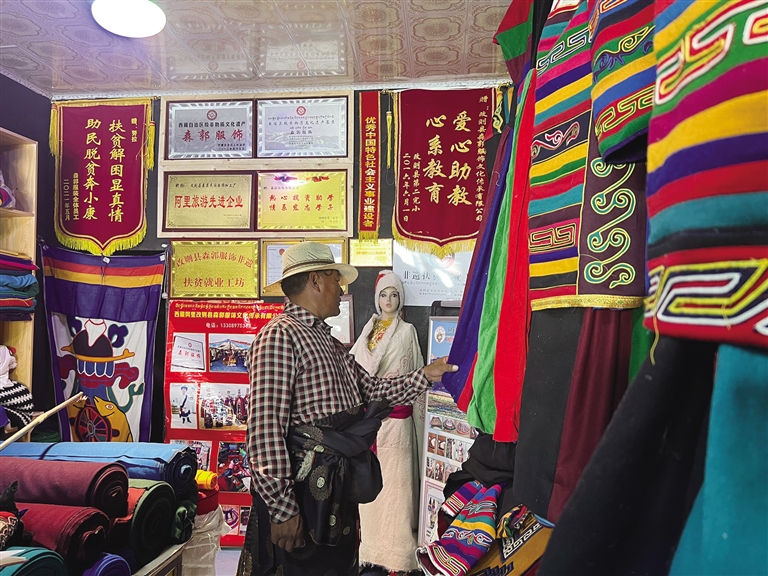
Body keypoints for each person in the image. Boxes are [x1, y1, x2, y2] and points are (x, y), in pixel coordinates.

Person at [237, 242, 457, 576]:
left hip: (333, 493)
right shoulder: (280, 337)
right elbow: (265, 431)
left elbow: (375, 390)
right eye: (335, 279)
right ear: (315, 281)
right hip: (302, 500)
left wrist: (427, 374)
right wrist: (282, 509)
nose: (341, 289)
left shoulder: (330, 344)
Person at [350, 270, 424, 575]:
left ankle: (399, 554)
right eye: (384, 294)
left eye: (394, 294)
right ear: (377, 298)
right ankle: (370, 547)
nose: (389, 300)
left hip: (398, 422)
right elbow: (355, 367)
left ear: (400, 299)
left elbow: (416, 372)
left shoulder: (407, 331)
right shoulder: (368, 330)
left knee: (398, 490)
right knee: (371, 492)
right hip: (372, 424)